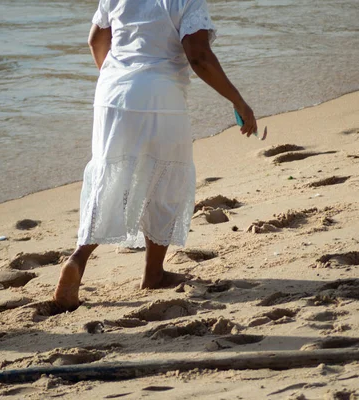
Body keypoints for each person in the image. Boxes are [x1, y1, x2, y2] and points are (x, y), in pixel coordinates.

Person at [54, 0, 257, 310]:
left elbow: (96, 39)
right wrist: (239, 101)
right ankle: (153, 273)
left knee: (110, 179)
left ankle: (78, 259)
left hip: (111, 94)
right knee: (165, 179)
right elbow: (199, 56)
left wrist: (120, 81)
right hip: (160, 94)